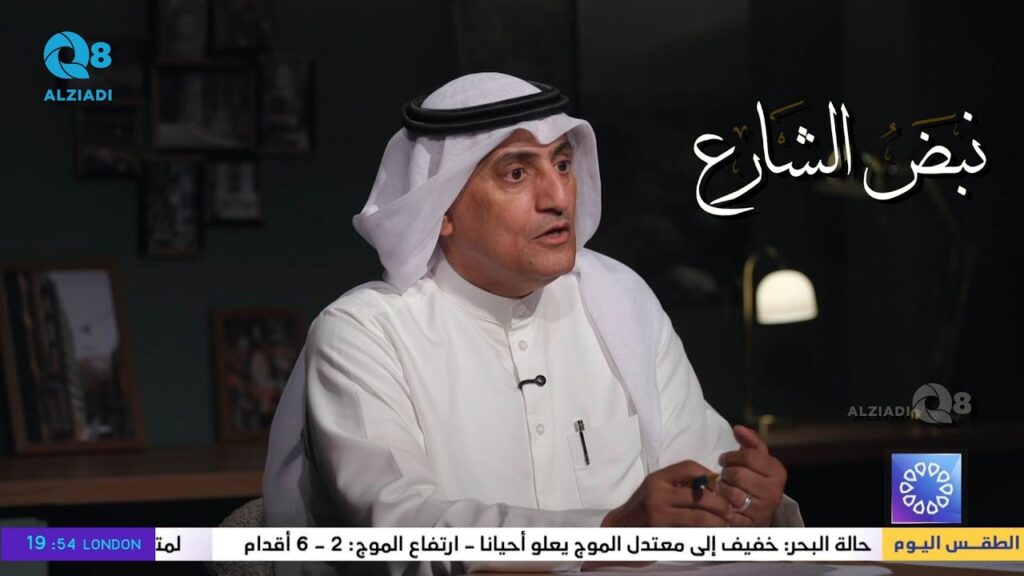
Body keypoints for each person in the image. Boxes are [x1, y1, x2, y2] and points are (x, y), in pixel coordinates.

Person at [264, 72, 803, 575]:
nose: (558, 197)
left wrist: (745, 501)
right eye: (517, 173)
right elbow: (405, 528)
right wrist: (609, 534)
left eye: (562, 165)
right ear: (440, 209)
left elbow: (700, 478)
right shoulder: (365, 333)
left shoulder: (621, 300)